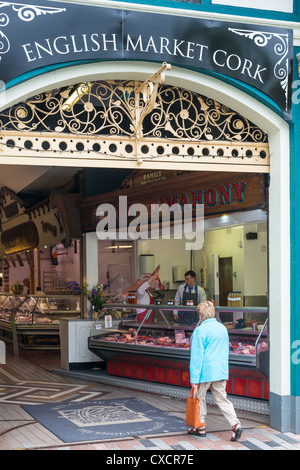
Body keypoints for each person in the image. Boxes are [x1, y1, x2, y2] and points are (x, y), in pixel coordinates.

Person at [188, 301, 243, 441]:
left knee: (200, 398)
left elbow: (197, 356)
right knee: (222, 398)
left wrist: (194, 379)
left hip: (205, 371)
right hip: (220, 370)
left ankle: (200, 427)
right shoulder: (222, 328)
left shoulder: (200, 330)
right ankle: (235, 424)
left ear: (200, 316)